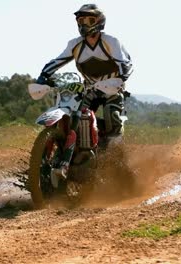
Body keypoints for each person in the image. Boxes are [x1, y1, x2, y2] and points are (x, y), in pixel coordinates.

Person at [36, 4, 133, 183]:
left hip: (112, 87)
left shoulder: (110, 41)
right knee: (76, 116)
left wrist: (120, 78)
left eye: (89, 20)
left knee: (112, 118)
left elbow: (125, 63)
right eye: (80, 20)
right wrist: (43, 76)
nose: (84, 24)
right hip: (89, 89)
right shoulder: (75, 45)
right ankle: (73, 155)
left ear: (99, 22)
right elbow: (57, 61)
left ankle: (116, 161)